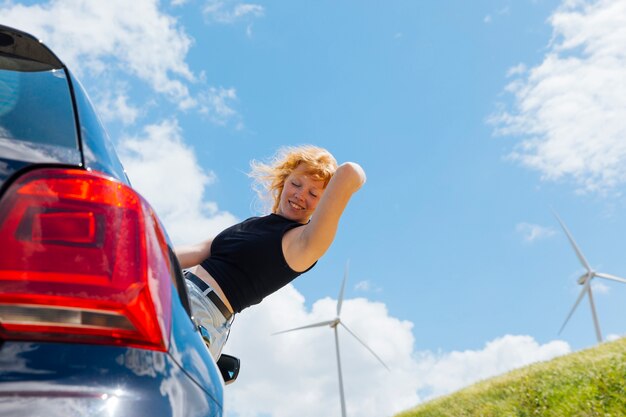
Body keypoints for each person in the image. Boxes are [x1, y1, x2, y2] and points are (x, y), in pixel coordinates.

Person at [175, 145, 366, 359]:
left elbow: (350, 172)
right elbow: (194, 251)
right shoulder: (254, 224)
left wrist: (325, 165)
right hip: (178, 288)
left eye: (313, 193)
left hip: (200, 310)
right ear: (284, 180)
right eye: (295, 183)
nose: (300, 195)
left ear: (323, 203)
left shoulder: (304, 243)